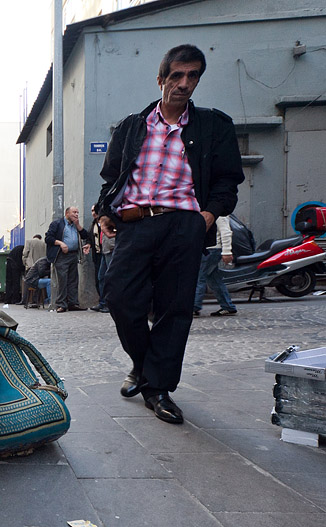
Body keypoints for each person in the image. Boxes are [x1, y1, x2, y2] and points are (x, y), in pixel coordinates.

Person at [96, 44, 244, 425]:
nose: (184, 83)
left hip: (184, 224)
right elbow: (112, 178)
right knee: (119, 296)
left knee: (174, 307)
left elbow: (228, 181)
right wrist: (103, 214)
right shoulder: (132, 125)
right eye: (176, 76)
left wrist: (206, 217)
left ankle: (157, 388)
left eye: (192, 76)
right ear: (161, 79)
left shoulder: (214, 125)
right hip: (136, 223)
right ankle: (144, 366)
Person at [45, 207, 90, 313]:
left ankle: (73, 303)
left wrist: (78, 225)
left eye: (77, 212)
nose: (76, 214)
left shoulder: (75, 225)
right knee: (62, 280)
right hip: (61, 256)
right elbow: (48, 238)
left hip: (73, 255)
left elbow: (85, 235)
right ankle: (61, 304)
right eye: (74, 212)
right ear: (67, 213)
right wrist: (61, 243)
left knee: (73, 280)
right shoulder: (57, 224)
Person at [194, 216, 238, 317]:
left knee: (199, 278)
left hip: (211, 249)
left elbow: (226, 232)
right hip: (210, 249)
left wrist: (227, 251)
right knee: (213, 279)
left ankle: (194, 307)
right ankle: (228, 306)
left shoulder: (221, 213)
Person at [88, 204, 105, 312]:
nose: (93, 212)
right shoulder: (93, 224)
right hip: (98, 254)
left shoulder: (104, 221)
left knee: (104, 277)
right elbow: (90, 237)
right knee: (99, 278)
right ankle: (102, 302)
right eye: (91, 210)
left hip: (107, 251)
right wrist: (89, 244)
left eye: (94, 210)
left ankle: (106, 302)